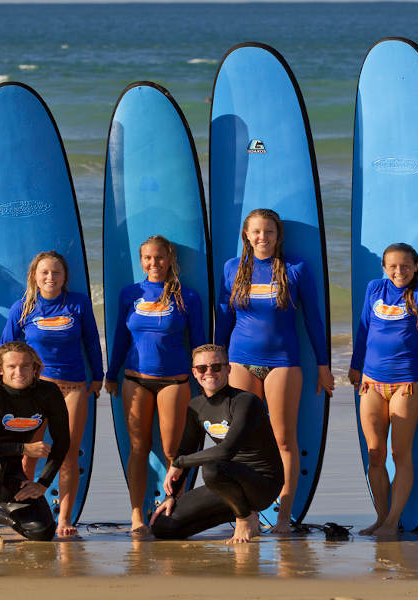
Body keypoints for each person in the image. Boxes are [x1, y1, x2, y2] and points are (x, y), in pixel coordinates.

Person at [215, 208, 334, 534]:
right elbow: (223, 320)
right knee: (239, 440)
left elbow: (313, 319)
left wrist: (323, 366)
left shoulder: (295, 269)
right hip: (240, 361)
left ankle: (283, 516)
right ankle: (247, 515)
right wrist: (216, 365)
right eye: (256, 232)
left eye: (268, 231)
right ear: (246, 235)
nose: (262, 237)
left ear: (278, 235)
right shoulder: (233, 268)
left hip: (283, 363)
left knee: (283, 440)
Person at [347, 243, 418, 537]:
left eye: (406, 266)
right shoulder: (374, 288)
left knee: (400, 454)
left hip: (405, 385)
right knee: (374, 453)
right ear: (385, 268)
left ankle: (392, 521)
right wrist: (355, 366)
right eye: (393, 266)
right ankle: (381, 517)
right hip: (370, 383)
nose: (400, 271)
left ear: (416, 267)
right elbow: (363, 329)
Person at [104, 234, 205, 535]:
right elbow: (121, 339)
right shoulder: (129, 294)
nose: (154, 263)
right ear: (141, 261)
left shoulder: (187, 296)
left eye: (159, 257)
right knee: (138, 448)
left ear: (170, 259)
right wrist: (111, 373)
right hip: (135, 379)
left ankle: (177, 508)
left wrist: (206, 379)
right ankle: (137, 513)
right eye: (148, 258)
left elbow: (199, 342)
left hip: (174, 381)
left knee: (173, 449)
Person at [0, 250, 103, 538]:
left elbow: (92, 341)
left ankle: (64, 518)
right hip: (35, 391)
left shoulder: (78, 304)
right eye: (44, 272)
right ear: (34, 275)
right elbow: (6, 349)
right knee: (29, 455)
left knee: (68, 454)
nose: (50, 277)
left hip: (73, 388)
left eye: (56, 272)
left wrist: (98, 376)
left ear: (64, 277)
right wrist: (3, 386)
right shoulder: (22, 307)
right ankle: (23, 509)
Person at [150, 344, 284, 544]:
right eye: (202, 368)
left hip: (262, 483)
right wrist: (172, 495)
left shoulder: (245, 402)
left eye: (216, 367)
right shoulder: (196, 407)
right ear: (194, 373)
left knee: (212, 468)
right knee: (163, 526)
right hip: (227, 484)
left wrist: (179, 463)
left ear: (228, 369)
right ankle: (247, 514)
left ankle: (244, 518)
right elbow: (186, 448)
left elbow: (227, 450)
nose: (209, 372)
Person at [0, 341, 70, 544]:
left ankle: (0, 513)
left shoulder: (48, 393)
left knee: (42, 532)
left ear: (35, 368)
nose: (19, 372)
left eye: (25, 366)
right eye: (12, 367)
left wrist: (43, 483)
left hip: (9, 474)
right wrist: (23, 448)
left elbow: (62, 441)